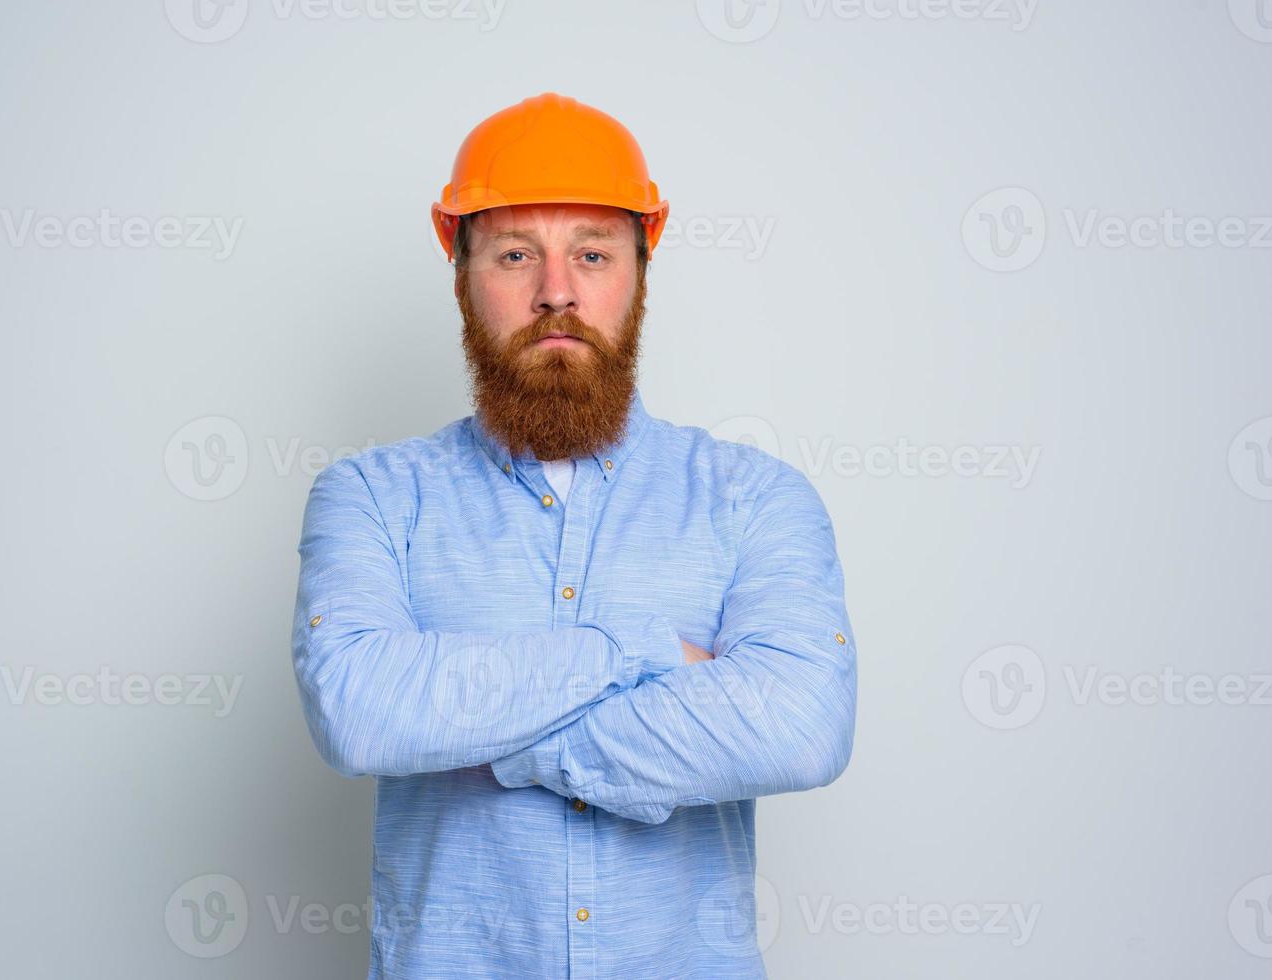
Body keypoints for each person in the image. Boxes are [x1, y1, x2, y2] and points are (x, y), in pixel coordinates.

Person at [292, 91, 857, 979]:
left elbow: (798, 729)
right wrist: (643, 651)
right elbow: (360, 714)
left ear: (638, 273)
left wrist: (463, 724)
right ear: (460, 276)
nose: (556, 292)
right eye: (515, 254)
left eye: (591, 254)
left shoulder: (755, 500)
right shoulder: (370, 496)